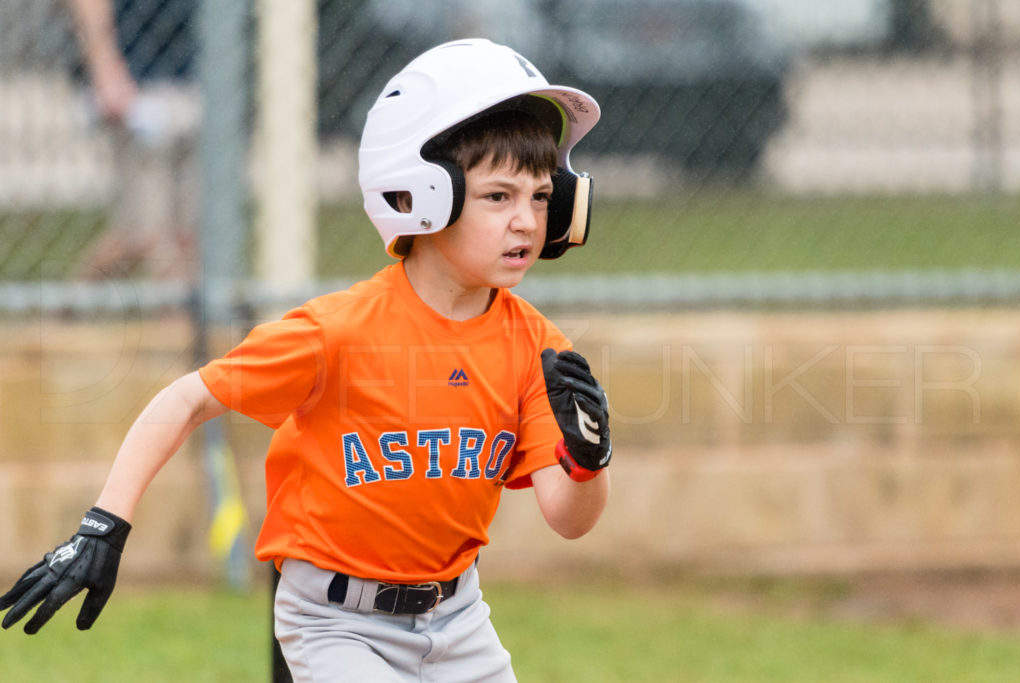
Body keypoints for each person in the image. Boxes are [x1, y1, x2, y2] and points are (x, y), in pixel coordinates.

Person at [0, 38, 611, 682]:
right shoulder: (338, 330)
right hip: (335, 623)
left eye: (541, 197)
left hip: (458, 619)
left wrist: (587, 459)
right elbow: (184, 400)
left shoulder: (539, 349)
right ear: (422, 193)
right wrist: (104, 526)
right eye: (498, 197)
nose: (527, 221)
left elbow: (569, 520)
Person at [65, 0, 200, 280]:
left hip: (195, 77)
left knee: (189, 234)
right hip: (137, 85)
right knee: (142, 235)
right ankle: (69, 303)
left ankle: (181, 313)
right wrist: (104, 66)